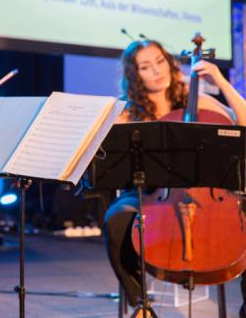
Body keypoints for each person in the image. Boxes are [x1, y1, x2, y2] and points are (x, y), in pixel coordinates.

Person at [105, 39, 246, 315]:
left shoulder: (199, 99)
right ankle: (141, 304)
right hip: (149, 193)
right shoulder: (128, 111)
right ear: (135, 75)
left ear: (169, 63)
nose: (156, 70)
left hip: (207, 189)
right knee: (116, 220)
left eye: (159, 61)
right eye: (146, 66)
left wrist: (221, 82)